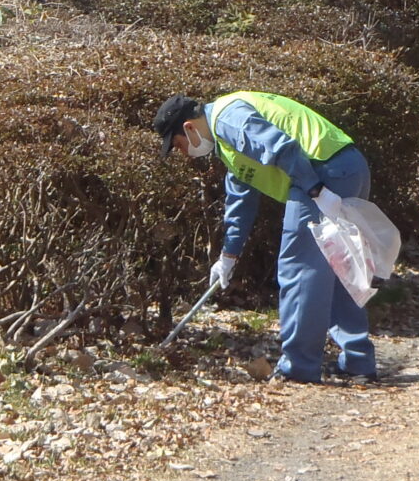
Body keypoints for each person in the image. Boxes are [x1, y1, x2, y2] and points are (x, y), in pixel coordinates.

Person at [154, 91, 376, 383]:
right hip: (348, 166)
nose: (183, 153)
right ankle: (358, 362)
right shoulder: (227, 142)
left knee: (299, 269)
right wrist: (228, 256)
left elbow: (280, 147)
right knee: (338, 267)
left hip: (321, 174)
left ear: (189, 127)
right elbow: (240, 199)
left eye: (178, 145)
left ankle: (298, 368)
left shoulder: (227, 119)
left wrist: (315, 190)